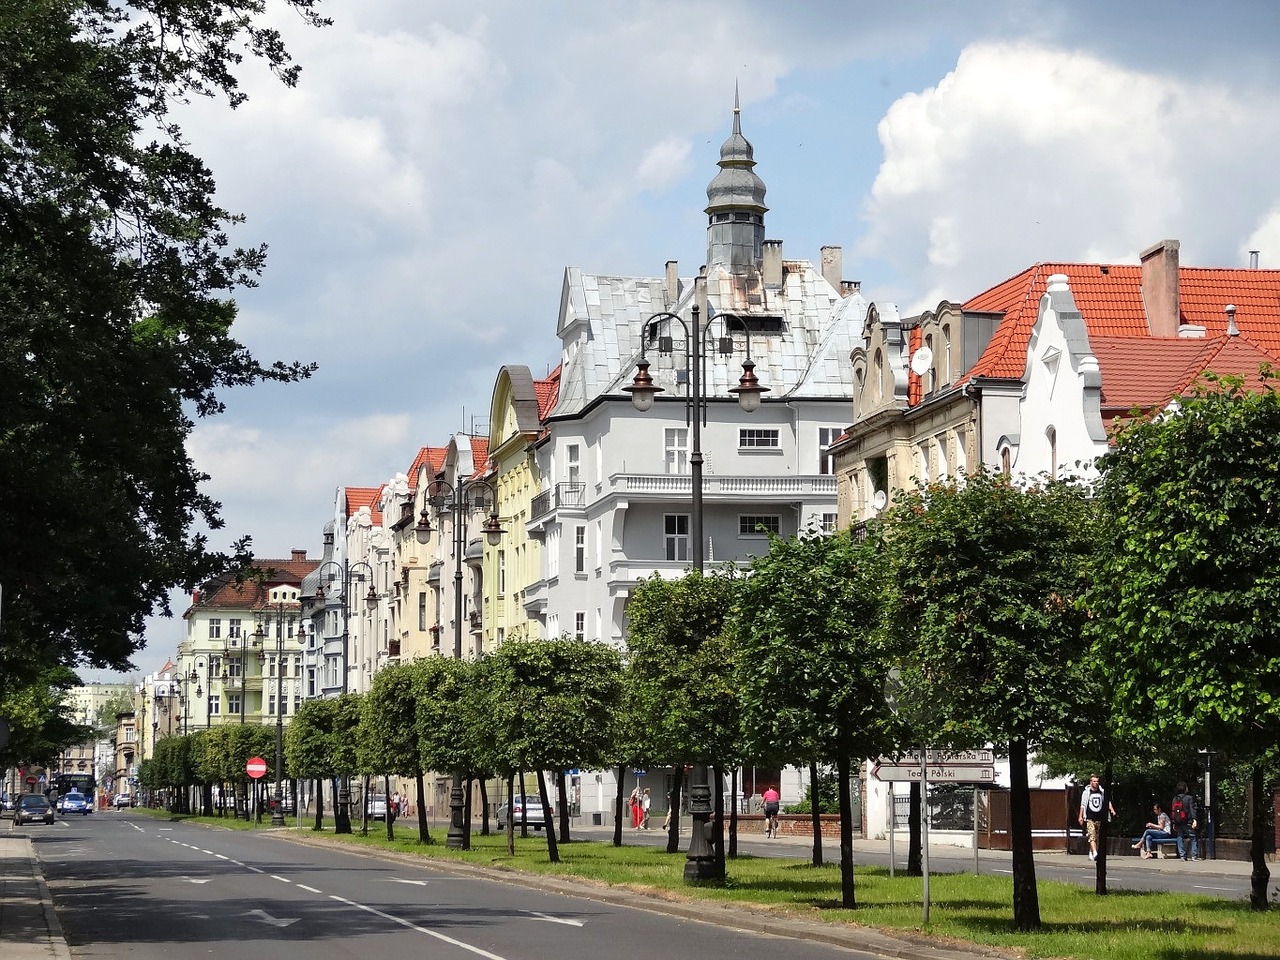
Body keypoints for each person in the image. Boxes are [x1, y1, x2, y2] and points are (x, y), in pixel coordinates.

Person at [1077, 774, 1116, 861]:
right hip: (1089, 817)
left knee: (1097, 836)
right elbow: (1082, 805)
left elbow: (1107, 801)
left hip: (1099, 817)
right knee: (1092, 835)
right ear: (1090, 782)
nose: (1096, 783)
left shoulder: (1101, 791)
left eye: (1097, 781)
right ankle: (1095, 853)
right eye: (1094, 781)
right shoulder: (1086, 792)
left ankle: (1091, 851)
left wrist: (1112, 810)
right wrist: (1080, 816)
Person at [1171, 781, 1200, 861]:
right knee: (1193, 837)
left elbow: (1173, 811)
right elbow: (1192, 809)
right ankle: (1194, 856)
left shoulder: (1175, 799)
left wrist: (1173, 822)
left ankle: (1182, 856)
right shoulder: (1189, 798)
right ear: (1185, 789)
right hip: (1187, 821)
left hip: (1178, 822)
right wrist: (1194, 819)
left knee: (1180, 837)